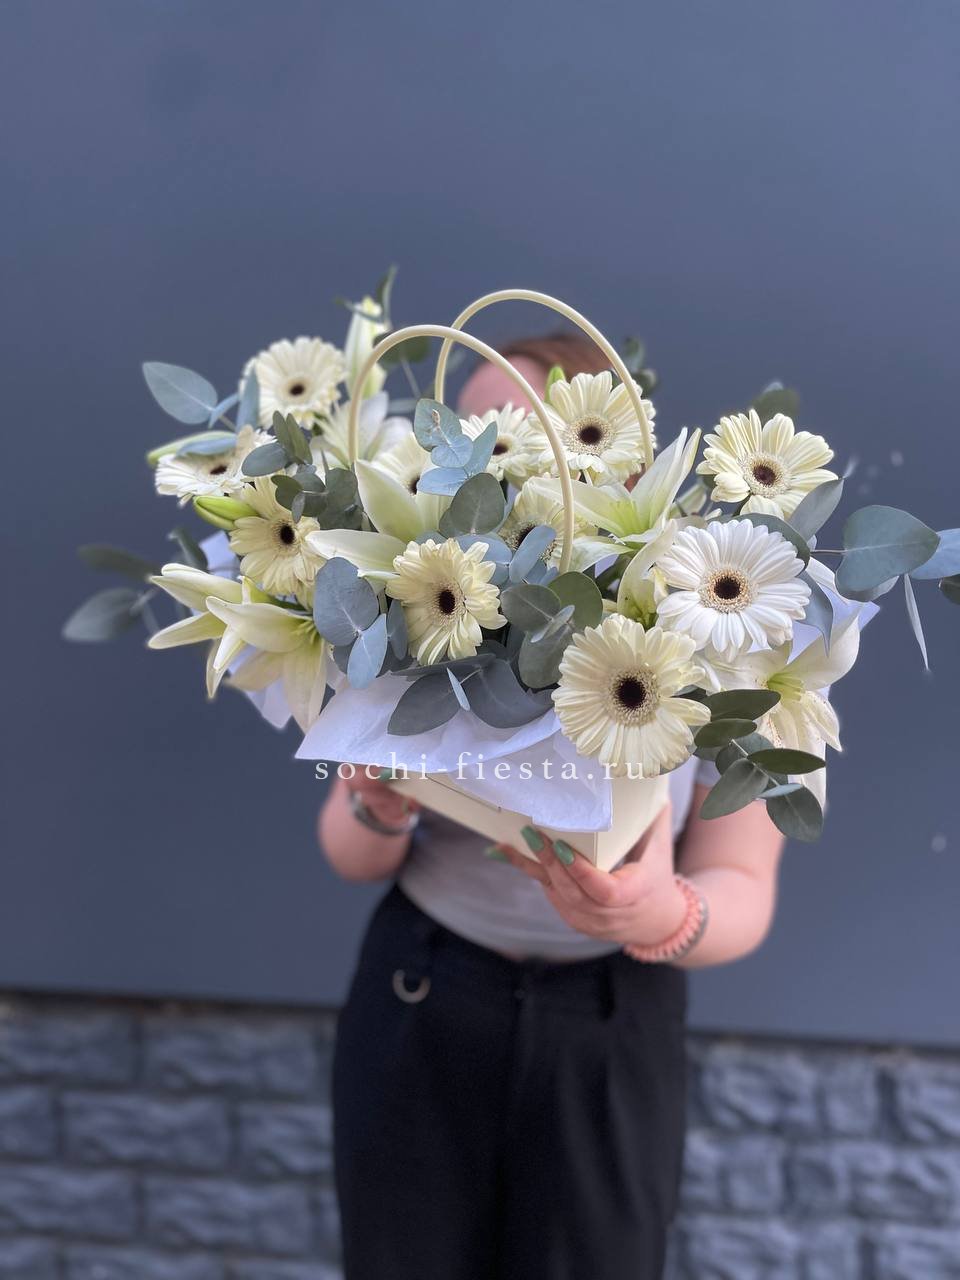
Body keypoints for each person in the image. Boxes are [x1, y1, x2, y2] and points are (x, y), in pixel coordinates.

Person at [320, 333, 785, 1280]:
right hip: (422, 994)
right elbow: (350, 854)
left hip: (612, 1020)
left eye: (509, 440)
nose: (478, 466)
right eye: (459, 441)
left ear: (608, 449)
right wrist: (378, 803)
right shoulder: (420, 609)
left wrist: (662, 916)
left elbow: (743, 882)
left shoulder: (730, 627)